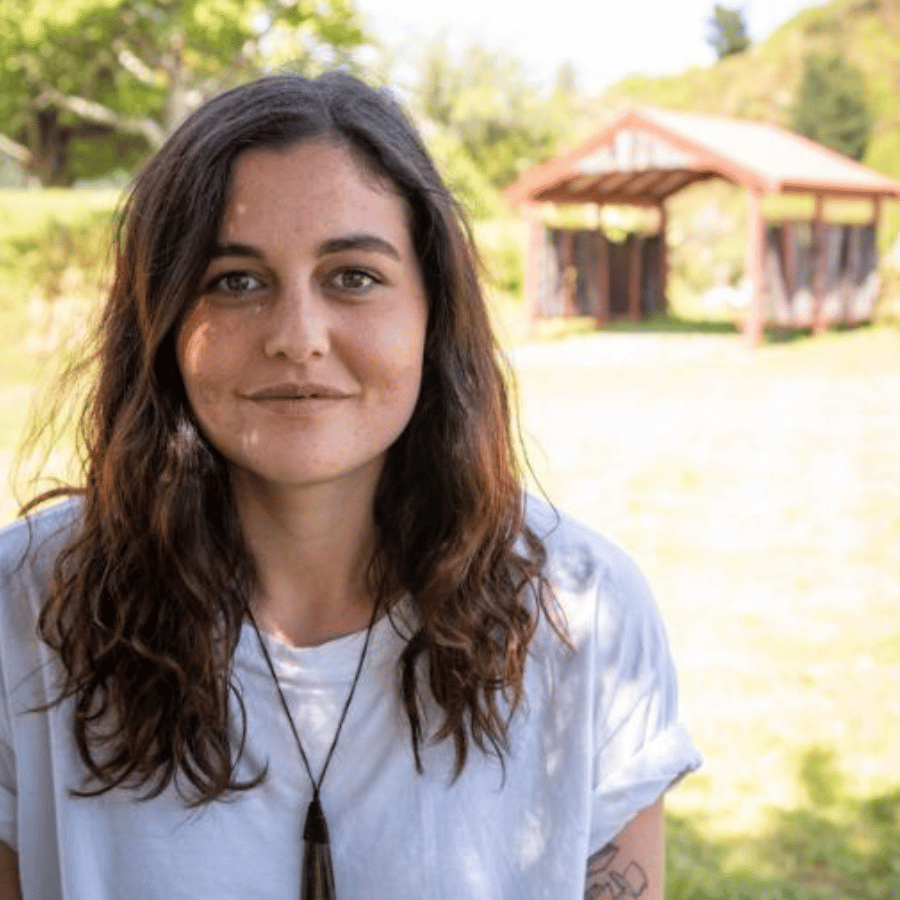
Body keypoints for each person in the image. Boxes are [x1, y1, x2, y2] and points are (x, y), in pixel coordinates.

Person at [0, 72, 700, 900]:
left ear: (434, 311)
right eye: (235, 281)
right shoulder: (26, 608)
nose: (298, 337)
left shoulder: (582, 611)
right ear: (162, 320)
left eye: (354, 276)